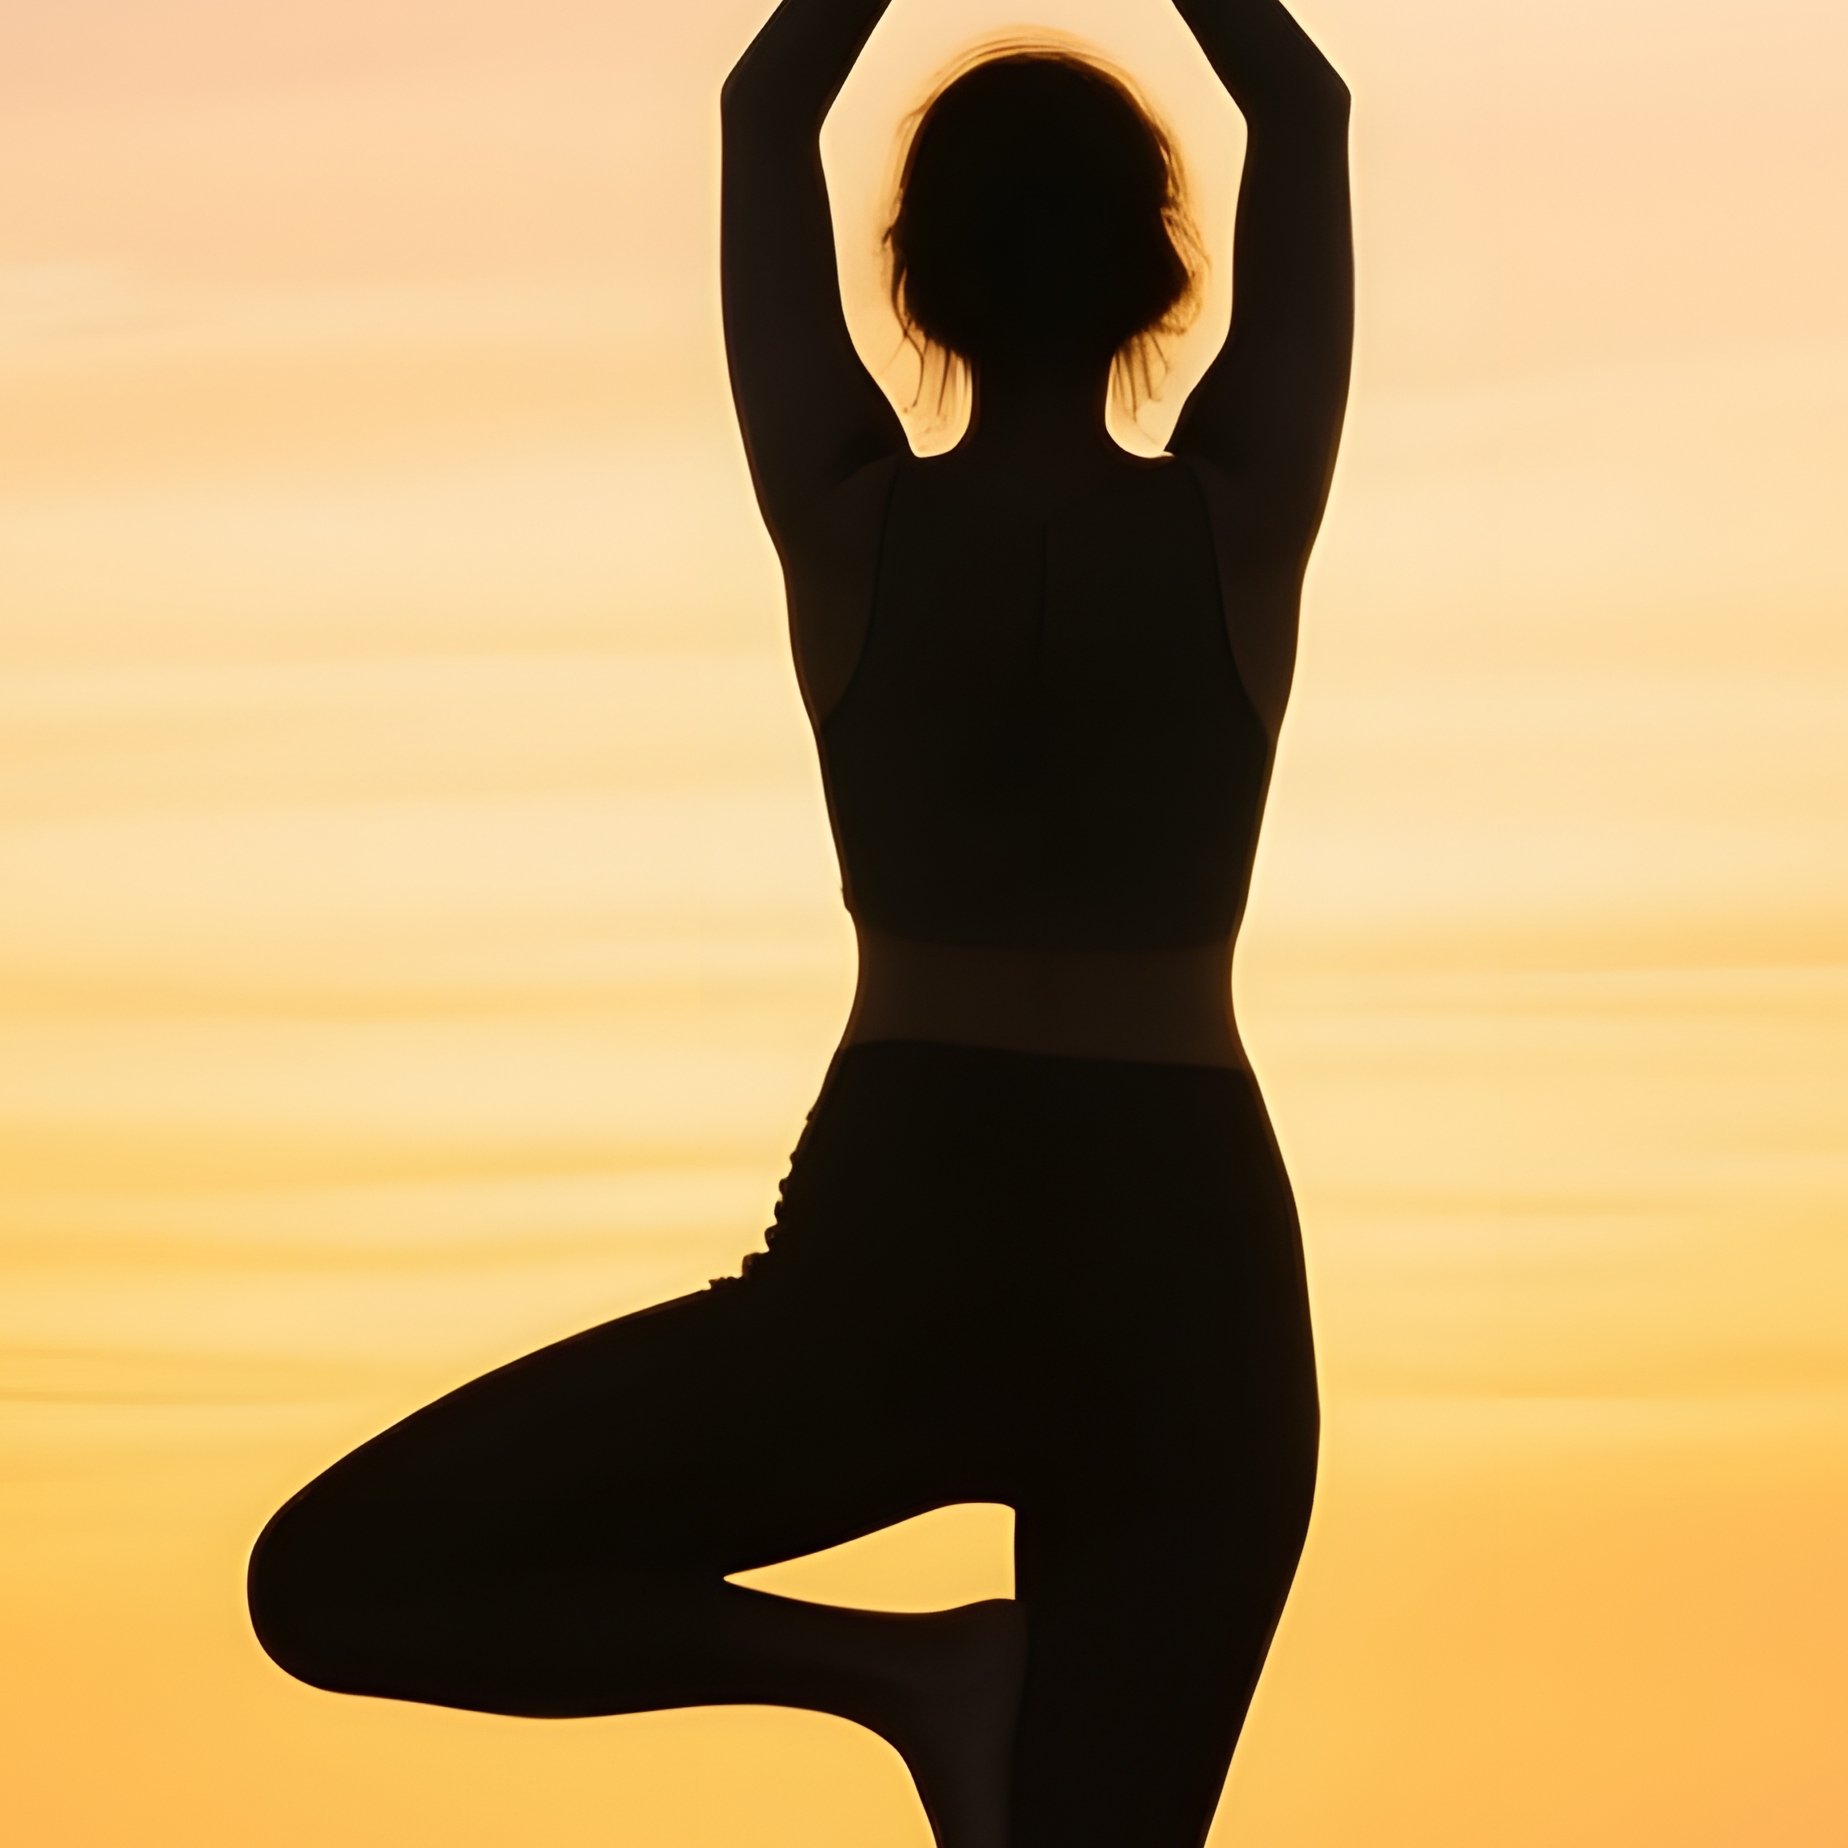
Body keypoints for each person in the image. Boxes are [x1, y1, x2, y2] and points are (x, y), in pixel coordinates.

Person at [245, 0, 1353, 1841]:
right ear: (1165, 276)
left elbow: (772, 105)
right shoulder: (1239, 535)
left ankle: (900, 1674)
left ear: (910, 281)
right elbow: (1299, 105)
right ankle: (924, 1685)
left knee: (336, 1579)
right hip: (1185, 1265)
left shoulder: (850, 532)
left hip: (911, 1231)